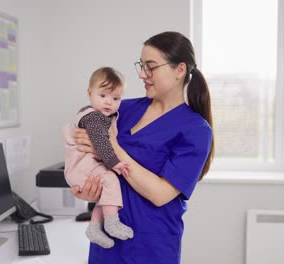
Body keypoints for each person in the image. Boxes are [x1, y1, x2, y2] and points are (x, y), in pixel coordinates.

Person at [72, 31, 214, 264]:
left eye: (151, 66)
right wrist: (87, 189)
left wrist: (111, 147)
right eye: (141, 65)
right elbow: (87, 148)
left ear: (179, 70)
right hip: (106, 242)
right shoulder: (122, 110)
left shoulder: (196, 130)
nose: (141, 74)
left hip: (150, 247)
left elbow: (160, 194)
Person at [63, 67, 134, 249]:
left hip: (87, 166)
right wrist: (115, 163)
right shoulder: (93, 117)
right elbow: (101, 142)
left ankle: (94, 228)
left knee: (107, 193)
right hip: (81, 166)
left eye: (115, 98)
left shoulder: (106, 116)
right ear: (89, 93)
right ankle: (111, 223)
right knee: (110, 179)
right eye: (103, 95)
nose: (109, 102)